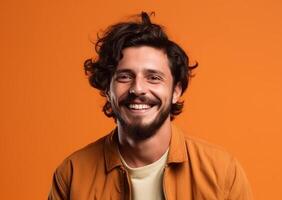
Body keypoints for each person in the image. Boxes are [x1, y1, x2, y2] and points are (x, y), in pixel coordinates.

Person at [48, 12, 253, 200]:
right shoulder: (71, 175)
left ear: (176, 91)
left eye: (153, 77)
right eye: (125, 76)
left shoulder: (223, 173)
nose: (137, 89)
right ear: (107, 89)